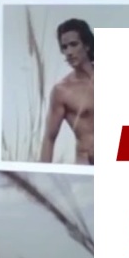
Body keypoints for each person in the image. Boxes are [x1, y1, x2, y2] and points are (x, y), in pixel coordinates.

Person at [39, 18, 94, 165]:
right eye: (64, 47)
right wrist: (42, 173)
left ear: (87, 45)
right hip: (87, 164)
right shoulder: (62, 90)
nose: (69, 52)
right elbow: (49, 138)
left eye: (74, 44)